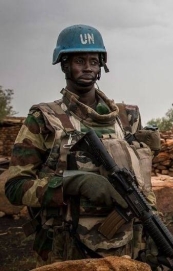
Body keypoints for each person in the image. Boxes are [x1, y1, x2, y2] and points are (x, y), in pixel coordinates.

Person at [4, 24, 161, 268]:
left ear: (102, 66)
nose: (88, 67)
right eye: (79, 60)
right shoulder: (45, 118)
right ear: (64, 64)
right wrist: (73, 183)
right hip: (65, 248)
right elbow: (14, 188)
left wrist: (149, 153)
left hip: (128, 244)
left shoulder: (126, 117)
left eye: (94, 61)